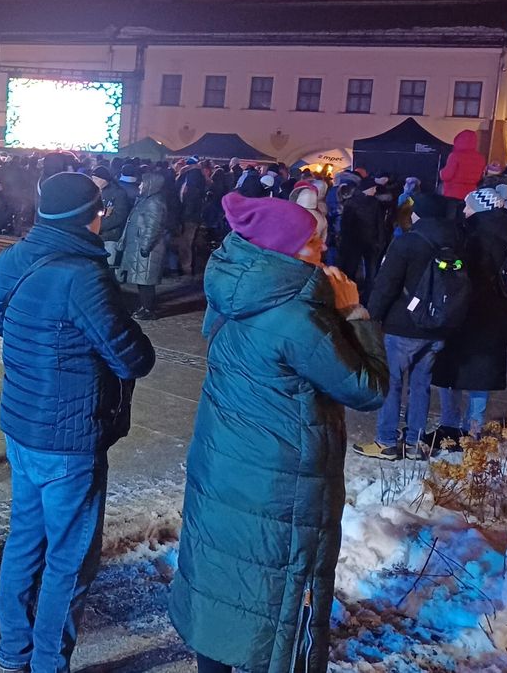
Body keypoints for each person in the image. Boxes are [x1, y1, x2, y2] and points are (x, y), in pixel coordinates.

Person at [171, 193, 387, 673]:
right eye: (311, 243)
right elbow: (367, 388)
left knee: (222, 583)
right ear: (281, 251)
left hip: (226, 464)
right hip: (279, 482)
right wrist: (354, 315)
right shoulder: (297, 317)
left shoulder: (237, 289)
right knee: (276, 596)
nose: (322, 249)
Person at [0, 172, 156, 673]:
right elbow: (134, 358)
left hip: (23, 424)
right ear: (88, 217)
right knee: (69, 559)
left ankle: (12, 653)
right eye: (101, 210)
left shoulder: (14, 258)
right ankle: (47, 663)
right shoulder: (83, 277)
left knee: (25, 542)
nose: (104, 217)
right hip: (69, 436)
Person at [354, 193, 461, 461]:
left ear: (417, 214)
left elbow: (386, 283)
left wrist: (372, 315)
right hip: (437, 326)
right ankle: (414, 442)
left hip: (403, 326)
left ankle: (386, 441)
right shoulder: (456, 241)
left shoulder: (407, 243)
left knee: (391, 383)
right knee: (421, 385)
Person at [429, 188, 507, 446]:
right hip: (496, 312)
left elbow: (465, 273)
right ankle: (473, 429)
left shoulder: (475, 235)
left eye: (468, 206)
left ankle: (450, 426)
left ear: (480, 209)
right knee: (482, 375)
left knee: (451, 369)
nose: (464, 210)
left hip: (468, 311)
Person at [120, 170, 169, 320]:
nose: (140, 185)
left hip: (147, 249)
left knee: (146, 281)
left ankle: (148, 309)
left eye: (142, 183)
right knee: (142, 280)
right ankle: (144, 306)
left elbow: (153, 227)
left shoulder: (154, 202)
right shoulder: (146, 199)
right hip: (140, 246)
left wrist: (145, 246)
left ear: (150, 184)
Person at [439, 129, 487, 199]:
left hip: (453, 192)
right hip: (471, 194)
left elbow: (447, 175)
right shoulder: (481, 158)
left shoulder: (455, 156)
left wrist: (441, 172)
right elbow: (480, 178)